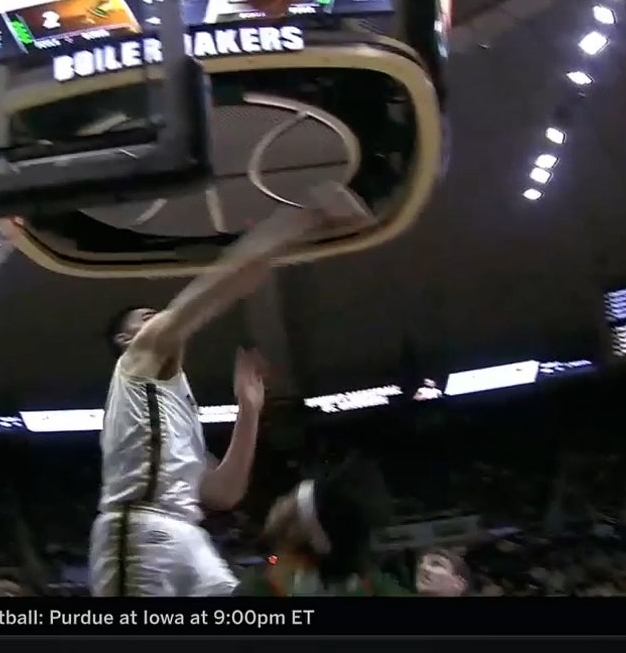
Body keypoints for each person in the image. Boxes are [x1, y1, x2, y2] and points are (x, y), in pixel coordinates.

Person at [88, 181, 372, 597]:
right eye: (144, 318)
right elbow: (222, 282)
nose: (158, 319)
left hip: (185, 534)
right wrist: (304, 217)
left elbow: (222, 493)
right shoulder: (136, 362)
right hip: (138, 527)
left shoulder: (173, 405)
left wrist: (249, 410)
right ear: (126, 341)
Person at [246, 458, 470, 596]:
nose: (278, 503)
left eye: (289, 499)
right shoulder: (368, 582)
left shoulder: (262, 587)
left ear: (299, 527)